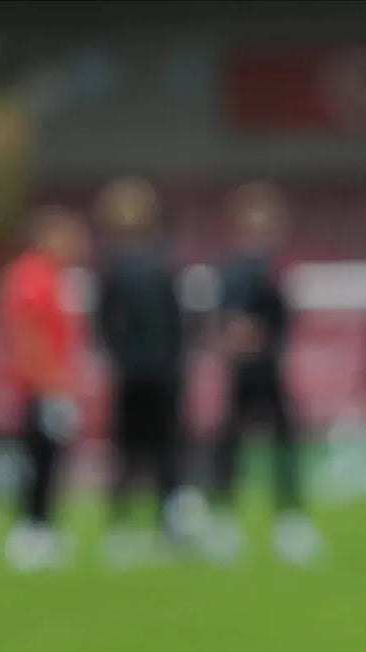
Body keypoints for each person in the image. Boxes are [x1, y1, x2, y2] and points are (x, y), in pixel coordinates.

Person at [211, 182, 321, 565]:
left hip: (270, 371)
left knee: (283, 448)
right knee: (232, 448)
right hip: (243, 374)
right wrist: (238, 335)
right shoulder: (233, 273)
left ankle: (289, 521)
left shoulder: (276, 271)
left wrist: (260, 338)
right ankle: (225, 522)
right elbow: (229, 326)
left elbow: (280, 325)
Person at [94, 177, 186, 568]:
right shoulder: (113, 271)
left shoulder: (163, 265)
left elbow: (176, 324)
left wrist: (170, 362)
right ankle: (122, 527)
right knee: (128, 454)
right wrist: (123, 359)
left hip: (161, 376)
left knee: (165, 456)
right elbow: (104, 325)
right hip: (132, 376)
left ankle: (169, 526)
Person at [0, 207, 90, 571]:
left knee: (52, 460)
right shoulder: (31, 276)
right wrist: (50, 384)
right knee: (38, 460)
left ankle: (45, 526)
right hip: (40, 387)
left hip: (56, 384)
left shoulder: (59, 277)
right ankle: (30, 530)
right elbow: (29, 335)